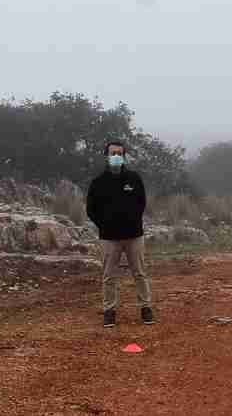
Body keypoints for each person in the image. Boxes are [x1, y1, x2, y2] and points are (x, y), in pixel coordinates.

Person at [86, 140, 154, 328]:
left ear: (124, 156)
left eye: (119, 153)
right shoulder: (98, 182)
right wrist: (104, 225)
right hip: (109, 238)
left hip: (134, 236)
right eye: (112, 153)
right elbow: (91, 209)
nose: (116, 156)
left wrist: (132, 221)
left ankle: (146, 307)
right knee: (109, 276)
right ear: (106, 155)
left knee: (140, 273)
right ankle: (109, 311)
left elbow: (142, 203)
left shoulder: (134, 178)